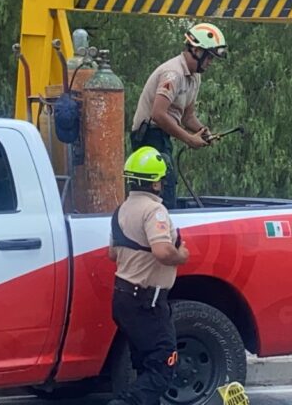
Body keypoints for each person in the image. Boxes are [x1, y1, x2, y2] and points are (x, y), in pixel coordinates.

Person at [107, 147, 190, 405]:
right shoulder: (154, 211)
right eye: (161, 179)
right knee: (164, 366)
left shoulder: (121, 210)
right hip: (147, 302)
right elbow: (163, 251)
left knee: (145, 365)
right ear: (155, 181)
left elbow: (112, 253)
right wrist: (182, 255)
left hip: (123, 299)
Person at [130, 22, 228, 209]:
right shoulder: (173, 74)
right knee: (163, 187)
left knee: (167, 184)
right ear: (197, 51)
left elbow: (187, 117)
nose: (210, 63)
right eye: (209, 57)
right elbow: (158, 114)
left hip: (163, 136)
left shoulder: (194, 76)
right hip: (148, 136)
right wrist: (189, 139)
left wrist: (203, 131)